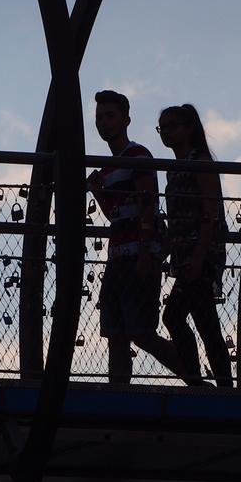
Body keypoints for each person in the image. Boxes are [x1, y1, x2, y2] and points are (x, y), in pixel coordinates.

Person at [87, 90, 193, 384]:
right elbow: (118, 215)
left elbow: (147, 204)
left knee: (141, 332)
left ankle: (195, 380)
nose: (103, 122)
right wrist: (99, 193)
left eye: (110, 115)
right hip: (118, 255)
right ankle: (118, 397)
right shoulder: (109, 167)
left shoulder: (138, 155)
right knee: (116, 334)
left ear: (126, 120)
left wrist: (147, 253)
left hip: (136, 255)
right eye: (99, 117)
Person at [155, 104, 233, 388]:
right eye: (162, 127)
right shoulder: (174, 170)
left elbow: (209, 213)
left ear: (189, 128)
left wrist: (199, 257)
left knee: (175, 316)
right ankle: (221, 388)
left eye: (172, 125)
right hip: (185, 255)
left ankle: (198, 383)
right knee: (205, 322)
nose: (166, 132)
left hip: (200, 255)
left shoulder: (200, 162)